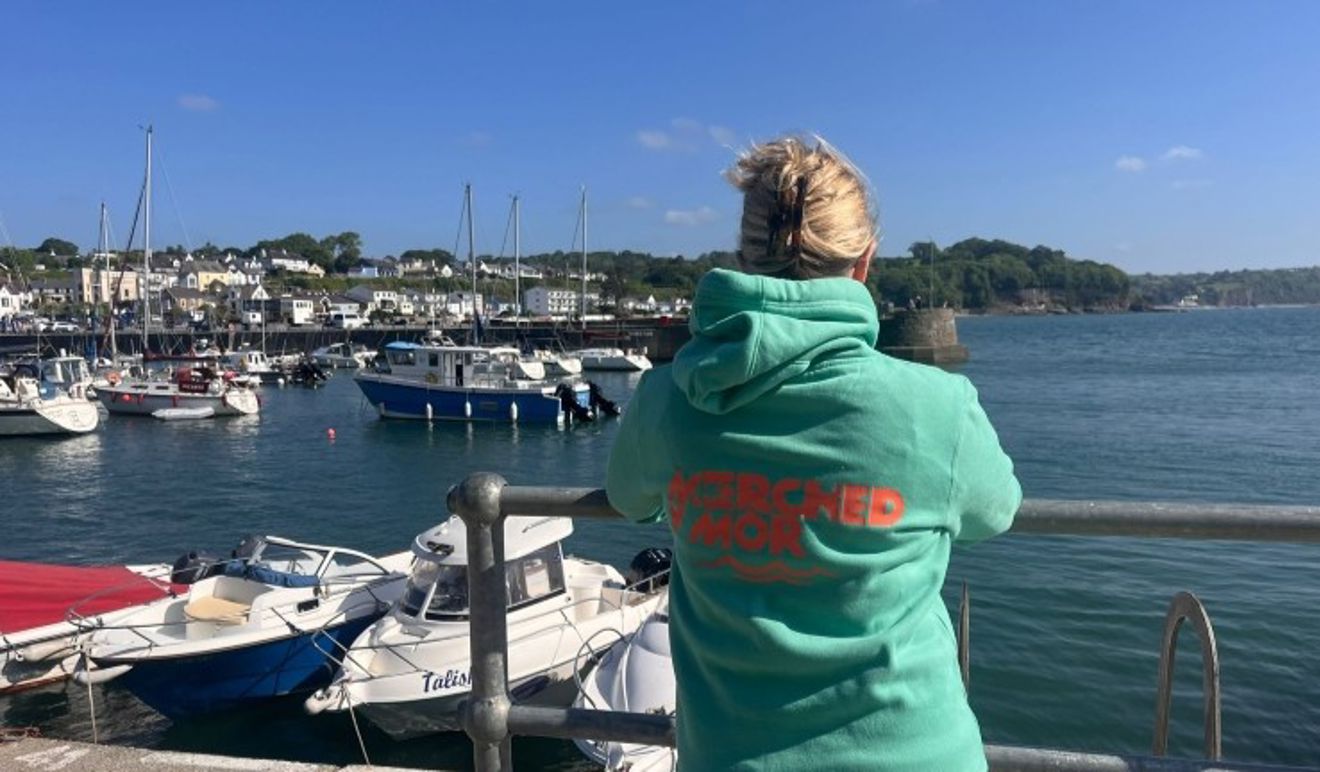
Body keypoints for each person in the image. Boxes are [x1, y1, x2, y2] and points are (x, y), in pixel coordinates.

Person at [606, 135, 1020, 771]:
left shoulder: (669, 396)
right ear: (864, 263)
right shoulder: (937, 406)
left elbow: (629, 500)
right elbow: (995, 512)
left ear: (740, 259)